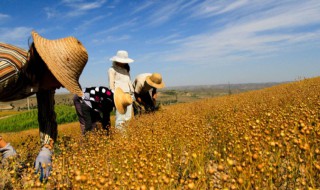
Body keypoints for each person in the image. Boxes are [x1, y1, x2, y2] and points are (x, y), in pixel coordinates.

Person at [0, 31, 88, 181]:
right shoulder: (8, 70)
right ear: (48, 69)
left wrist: (46, 150)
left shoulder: (44, 84)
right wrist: (3, 147)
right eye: (61, 79)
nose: (62, 85)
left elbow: (47, 117)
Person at [108, 50, 134, 130]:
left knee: (128, 117)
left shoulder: (126, 70)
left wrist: (132, 93)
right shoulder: (112, 70)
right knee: (120, 117)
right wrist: (114, 95)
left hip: (128, 95)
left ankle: (125, 136)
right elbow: (111, 83)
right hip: (119, 95)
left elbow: (129, 81)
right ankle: (120, 137)